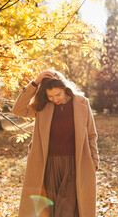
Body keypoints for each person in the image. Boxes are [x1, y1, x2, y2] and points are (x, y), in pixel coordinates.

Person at [12, 70, 99, 217]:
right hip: (47, 165)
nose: (55, 99)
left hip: (75, 164)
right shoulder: (42, 106)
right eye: (50, 96)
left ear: (65, 89)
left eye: (58, 95)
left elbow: (91, 135)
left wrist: (95, 160)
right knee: (49, 210)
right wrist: (35, 83)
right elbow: (18, 109)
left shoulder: (82, 103)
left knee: (68, 210)